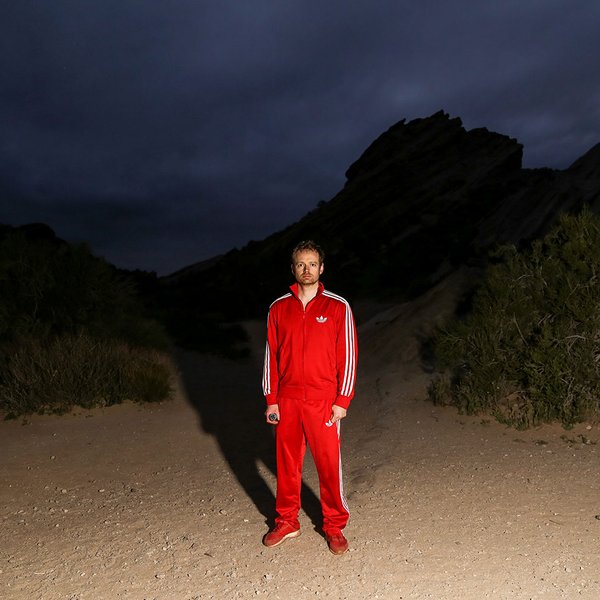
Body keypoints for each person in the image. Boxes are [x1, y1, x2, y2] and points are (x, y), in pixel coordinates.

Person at [261, 240, 358, 555]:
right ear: (293, 269)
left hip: (323, 401)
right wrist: (271, 399)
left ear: (322, 268)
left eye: (312, 264)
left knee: (328, 465)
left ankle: (334, 525)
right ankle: (287, 521)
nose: (307, 269)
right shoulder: (278, 307)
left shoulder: (337, 306)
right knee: (287, 464)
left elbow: (348, 356)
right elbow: (271, 356)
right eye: (301, 264)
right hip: (288, 399)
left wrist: (342, 400)